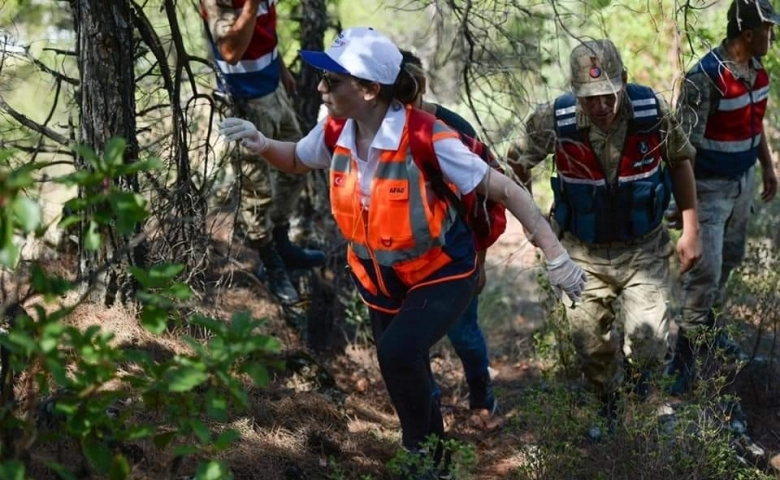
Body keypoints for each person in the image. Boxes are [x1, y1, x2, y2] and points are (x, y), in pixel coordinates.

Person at [218, 27, 586, 477]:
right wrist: (261, 143)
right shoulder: (336, 129)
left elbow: (507, 190)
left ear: (370, 89)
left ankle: (418, 457)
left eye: (333, 80)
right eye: (322, 78)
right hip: (380, 278)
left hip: (443, 271)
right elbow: (295, 157)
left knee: (397, 354)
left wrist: (556, 256)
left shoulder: (427, 136)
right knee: (401, 366)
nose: (320, 87)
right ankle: (437, 457)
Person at [508, 39, 701, 440]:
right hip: (581, 253)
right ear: (575, 91)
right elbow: (516, 162)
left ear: (624, 81)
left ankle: (638, 393)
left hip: (644, 248)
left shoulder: (651, 112)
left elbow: (681, 161)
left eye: (608, 94)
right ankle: (607, 406)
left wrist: (691, 228)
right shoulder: (555, 119)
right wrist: (536, 225)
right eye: (589, 97)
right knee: (591, 343)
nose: (600, 105)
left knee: (648, 344)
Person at [670, 0, 779, 395]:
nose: (772, 36)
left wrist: (766, 165)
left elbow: (754, 119)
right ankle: (680, 363)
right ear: (747, 34)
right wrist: (689, 219)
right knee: (705, 274)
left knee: (730, 259)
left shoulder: (755, 71)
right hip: (710, 188)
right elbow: (683, 152)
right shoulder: (705, 79)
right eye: (768, 29)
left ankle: (708, 330)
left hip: (743, 181)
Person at [201, 0, 325, 305]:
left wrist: (281, 71)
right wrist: (250, 6)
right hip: (245, 104)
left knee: (299, 162)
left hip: (274, 92)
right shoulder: (219, 4)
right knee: (257, 190)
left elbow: (265, 32)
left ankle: (282, 241)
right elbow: (230, 51)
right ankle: (271, 262)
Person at [401, 49, 498, 416]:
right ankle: (427, 411)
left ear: (420, 86)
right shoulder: (375, 127)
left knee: (464, 334)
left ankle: (481, 397)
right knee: (408, 342)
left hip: (454, 256)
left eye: (408, 92)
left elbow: (485, 201)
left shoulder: (454, 129)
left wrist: (480, 262)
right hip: (401, 258)